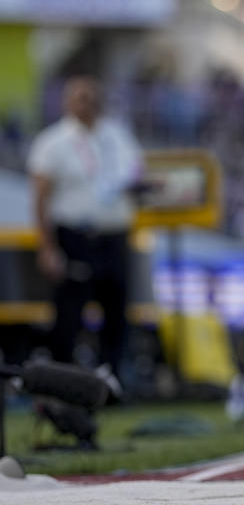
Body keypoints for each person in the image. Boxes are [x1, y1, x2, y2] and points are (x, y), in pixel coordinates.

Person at [28, 75, 143, 377]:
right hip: (76, 237)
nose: (87, 104)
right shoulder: (53, 142)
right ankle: (62, 381)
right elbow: (40, 199)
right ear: (67, 102)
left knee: (117, 311)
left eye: (91, 97)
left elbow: (135, 176)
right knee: (69, 312)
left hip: (114, 237)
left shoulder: (117, 136)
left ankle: (112, 381)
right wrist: (47, 247)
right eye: (80, 97)